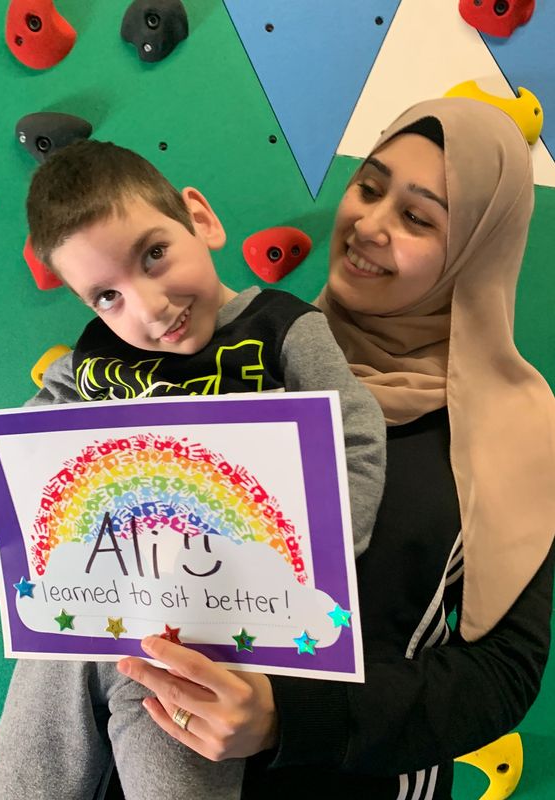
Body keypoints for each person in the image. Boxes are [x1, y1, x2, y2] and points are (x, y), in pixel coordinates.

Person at [115, 97, 555, 800]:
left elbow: (501, 673)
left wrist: (287, 716)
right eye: (370, 187)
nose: (370, 226)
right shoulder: (244, 358)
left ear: (475, 248)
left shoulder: (514, 430)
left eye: (418, 217)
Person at [0, 140, 386, 800]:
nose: (148, 308)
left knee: (174, 767)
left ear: (200, 219)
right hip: (93, 609)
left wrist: (312, 564)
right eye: (107, 295)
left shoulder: (281, 329)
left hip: (212, 629)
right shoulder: (91, 363)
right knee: (25, 762)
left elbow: (355, 444)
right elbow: (15, 463)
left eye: (154, 254)